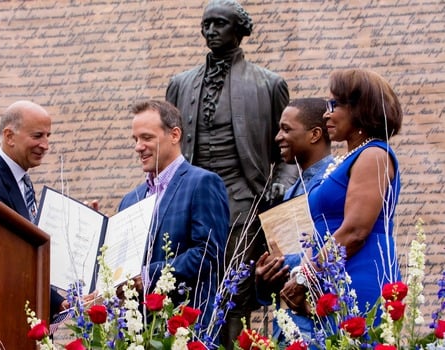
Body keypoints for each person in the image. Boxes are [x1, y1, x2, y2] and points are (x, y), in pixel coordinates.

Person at [165, 1, 296, 345]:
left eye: (219, 24)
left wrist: (281, 181)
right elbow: (169, 146)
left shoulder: (269, 84)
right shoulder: (179, 84)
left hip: (242, 200)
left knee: (236, 293)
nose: (210, 31)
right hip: (192, 203)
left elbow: (288, 150)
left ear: (239, 31)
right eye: (205, 24)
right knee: (190, 290)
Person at [281, 69, 403, 330]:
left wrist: (306, 277)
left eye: (334, 105)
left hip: (361, 275)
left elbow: (356, 231)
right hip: (333, 278)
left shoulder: (374, 155)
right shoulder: (348, 160)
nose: (327, 113)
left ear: (361, 109)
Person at [118, 100, 230, 329]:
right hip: (136, 332)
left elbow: (208, 254)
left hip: (185, 327)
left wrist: (148, 276)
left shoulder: (203, 183)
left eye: (147, 137)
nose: (138, 147)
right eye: (135, 139)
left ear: (175, 135)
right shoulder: (130, 200)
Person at [0, 100, 69, 320]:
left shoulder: (19, 177)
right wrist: (58, 301)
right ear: (9, 136)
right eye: (37, 136)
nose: (45, 145)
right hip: (8, 319)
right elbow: (7, 264)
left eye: (48, 136)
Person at [254, 98, 332, 346]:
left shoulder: (333, 184)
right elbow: (284, 258)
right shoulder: (291, 191)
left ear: (315, 134)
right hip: (287, 325)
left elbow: (334, 250)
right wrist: (265, 276)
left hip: (319, 325)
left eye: (287, 129)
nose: (278, 137)